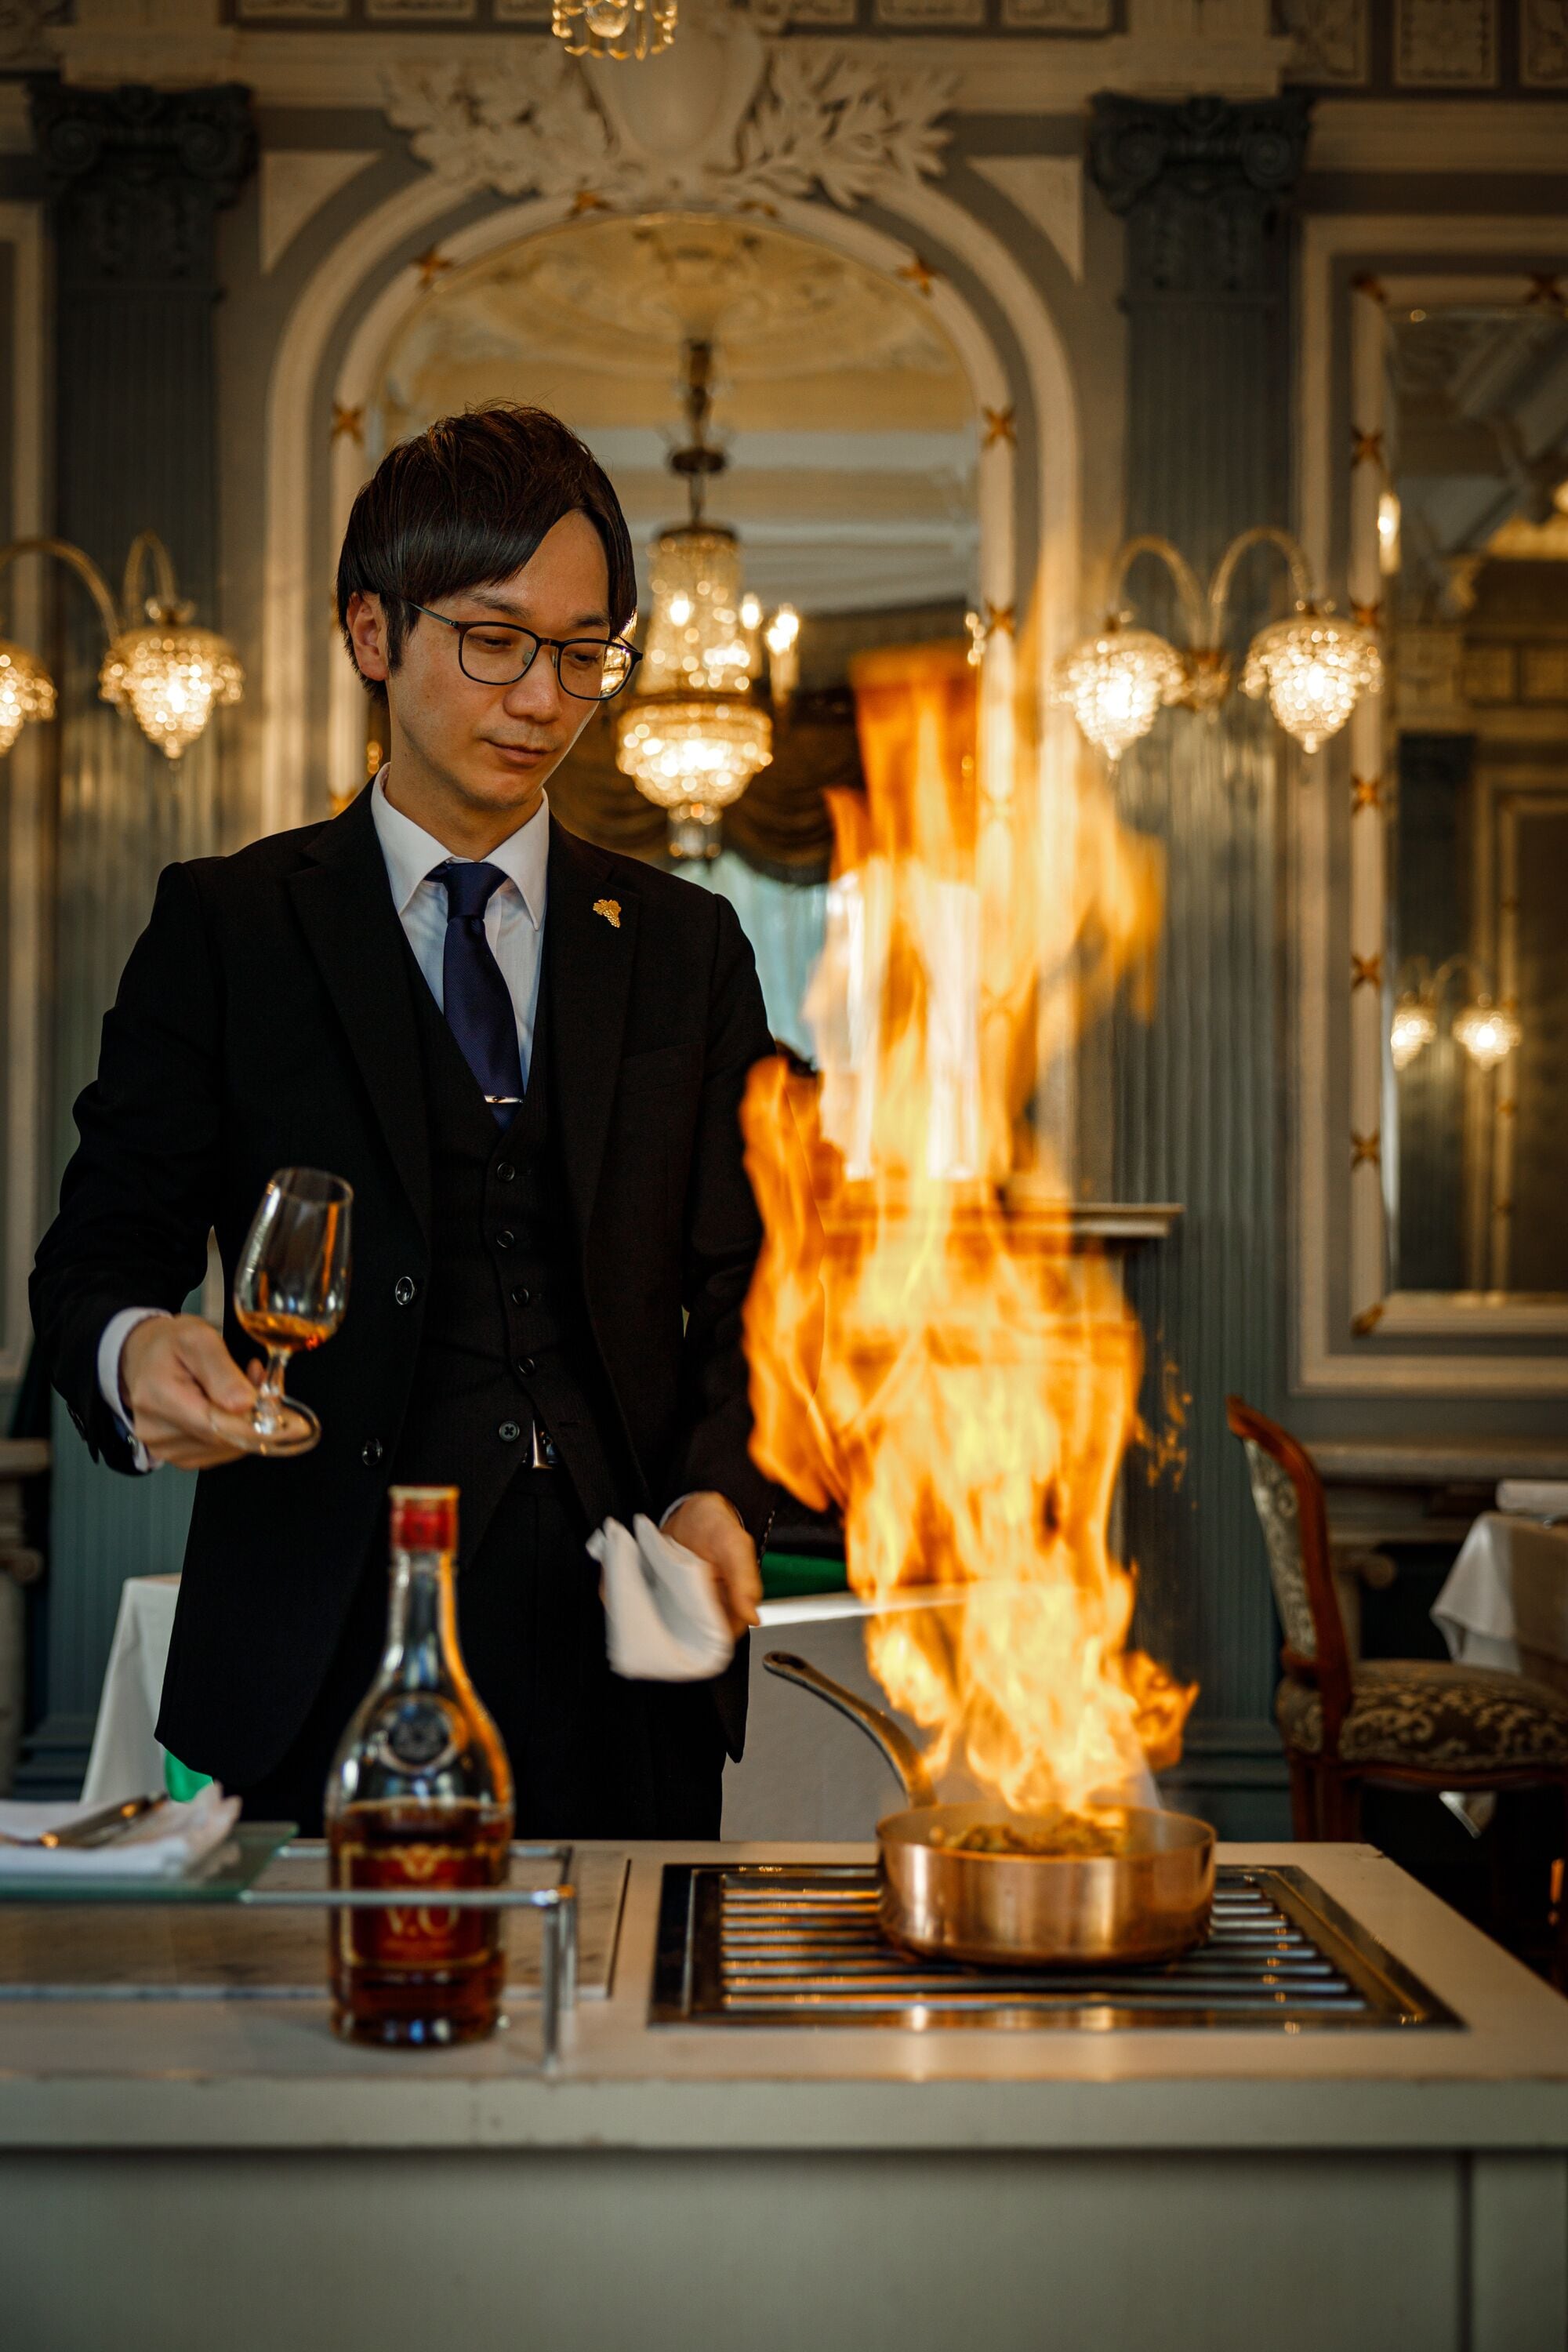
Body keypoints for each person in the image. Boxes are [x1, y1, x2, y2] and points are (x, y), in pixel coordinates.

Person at [31, 402, 778, 1838]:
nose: (544, 698)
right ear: (372, 631)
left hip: (624, 1655)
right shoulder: (228, 930)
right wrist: (134, 1348)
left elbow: (763, 1279)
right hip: (315, 1646)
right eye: (496, 641)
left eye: (585, 653)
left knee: (631, 1984)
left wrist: (719, 1492)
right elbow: (96, 1258)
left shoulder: (687, 947)